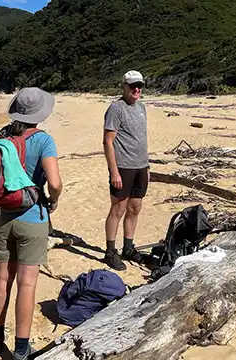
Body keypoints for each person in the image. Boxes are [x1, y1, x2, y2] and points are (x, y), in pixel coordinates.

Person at [0, 88, 62, 360]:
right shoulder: (43, 140)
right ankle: (20, 347)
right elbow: (53, 182)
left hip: (3, 216)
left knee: (3, 276)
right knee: (27, 284)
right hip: (32, 217)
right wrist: (53, 200)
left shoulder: (1, 136)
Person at [102, 70, 150, 271]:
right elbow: (108, 141)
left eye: (139, 85)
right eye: (132, 86)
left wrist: (147, 166)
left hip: (140, 166)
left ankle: (128, 248)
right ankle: (110, 251)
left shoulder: (142, 108)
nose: (136, 89)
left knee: (135, 208)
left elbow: (141, 138)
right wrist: (114, 172)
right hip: (123, 167)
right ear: (124, 87)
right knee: (118, 209)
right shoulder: (116, 108)